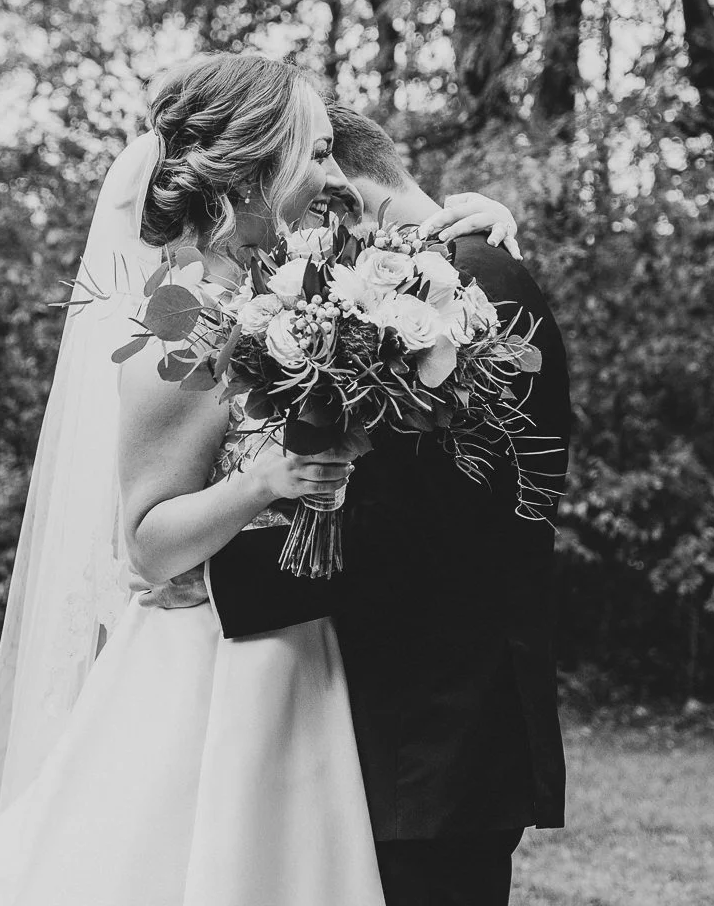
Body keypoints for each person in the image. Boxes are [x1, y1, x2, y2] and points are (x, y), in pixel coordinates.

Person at [0, 54, 524, 906]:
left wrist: (476, 226)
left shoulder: (298, 293)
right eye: (315, 153)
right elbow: (146, 545)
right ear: (252, 166)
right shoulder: (178, 330)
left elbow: (413, 310)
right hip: (210, 673)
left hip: (300, 662)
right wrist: (266, 482)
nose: (333, 176)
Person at [209, 104, 571, 906]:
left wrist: (207, 582)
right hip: (432, 718)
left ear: (343, 192)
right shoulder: (467, 270)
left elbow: (425, 526)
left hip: (437, 725)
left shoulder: (474, 286)